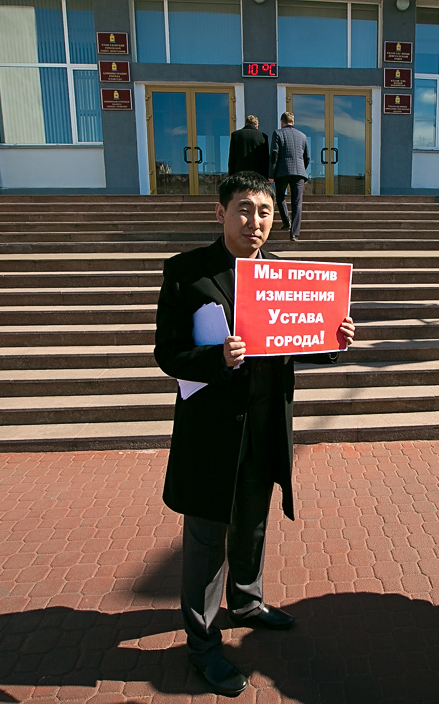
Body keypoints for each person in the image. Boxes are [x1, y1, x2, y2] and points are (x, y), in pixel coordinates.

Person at [154, 171, 355, 697]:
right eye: (244, 209)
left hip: (266, 426)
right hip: (213, 434)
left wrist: (332, 339)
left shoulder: (284, 277)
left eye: (265, 212)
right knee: (205, 542)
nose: (255, 221)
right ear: (220, 213)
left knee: (253, 522)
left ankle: (246, 599)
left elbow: (297, 339)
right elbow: (167, 353)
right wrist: (215, 359)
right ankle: (202, 648)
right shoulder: (187, 272)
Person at [269, 112, 310, 242]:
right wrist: (302, 168)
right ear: (293, 121)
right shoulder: (302, 136)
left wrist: (271, 174)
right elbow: (307, 157)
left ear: (282, 122)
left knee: (280, 196)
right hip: (299, 172)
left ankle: (286, 222)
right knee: (297, 202)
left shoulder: (278, 133)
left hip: (282, 171)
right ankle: (294, 233)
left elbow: (274, 155)